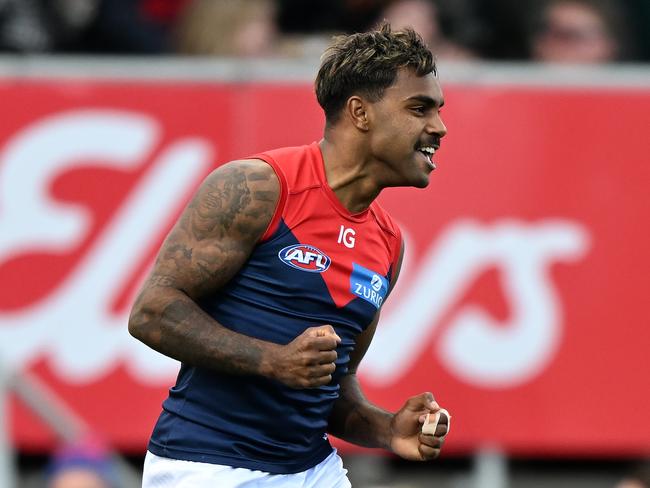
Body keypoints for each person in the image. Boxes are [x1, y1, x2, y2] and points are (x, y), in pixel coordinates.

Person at [128, 21, 450, 487]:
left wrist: (386, 428)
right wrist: (271, 360)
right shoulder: (257, 187)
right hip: (207, 467)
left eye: (438, 110)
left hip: (312, 471)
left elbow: (331, 387)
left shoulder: (387, 242)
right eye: (419, 108)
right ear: (360, 112)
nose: (439, 127)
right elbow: (152, 313)